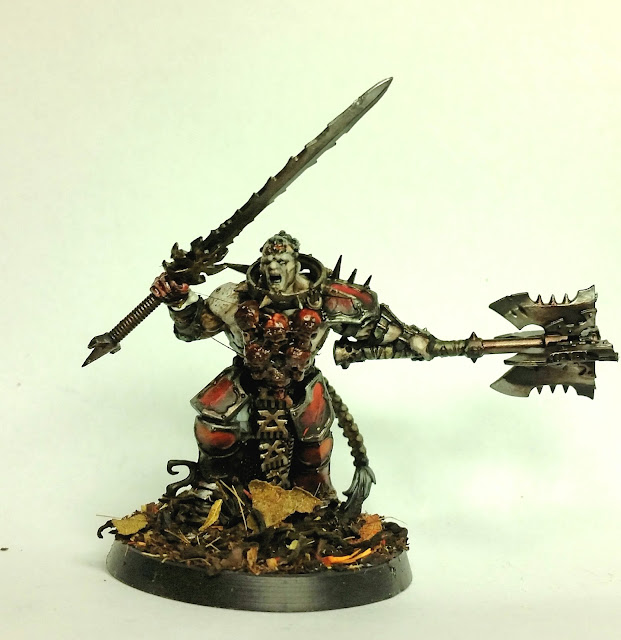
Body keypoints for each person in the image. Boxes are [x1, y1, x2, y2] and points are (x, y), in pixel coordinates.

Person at [151, 231, 432, 512]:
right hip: (247, 379)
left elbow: (373, 327)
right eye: (268, 262)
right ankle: (212, 488)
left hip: (301, 383)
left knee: (314, 445)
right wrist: (180, 301)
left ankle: (315, 498)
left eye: (282, 261)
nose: (274, 268)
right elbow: (193, 329)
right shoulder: (233, 297)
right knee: (214, 429)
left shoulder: (325, 299)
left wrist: (411, 340)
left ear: (296, 264)